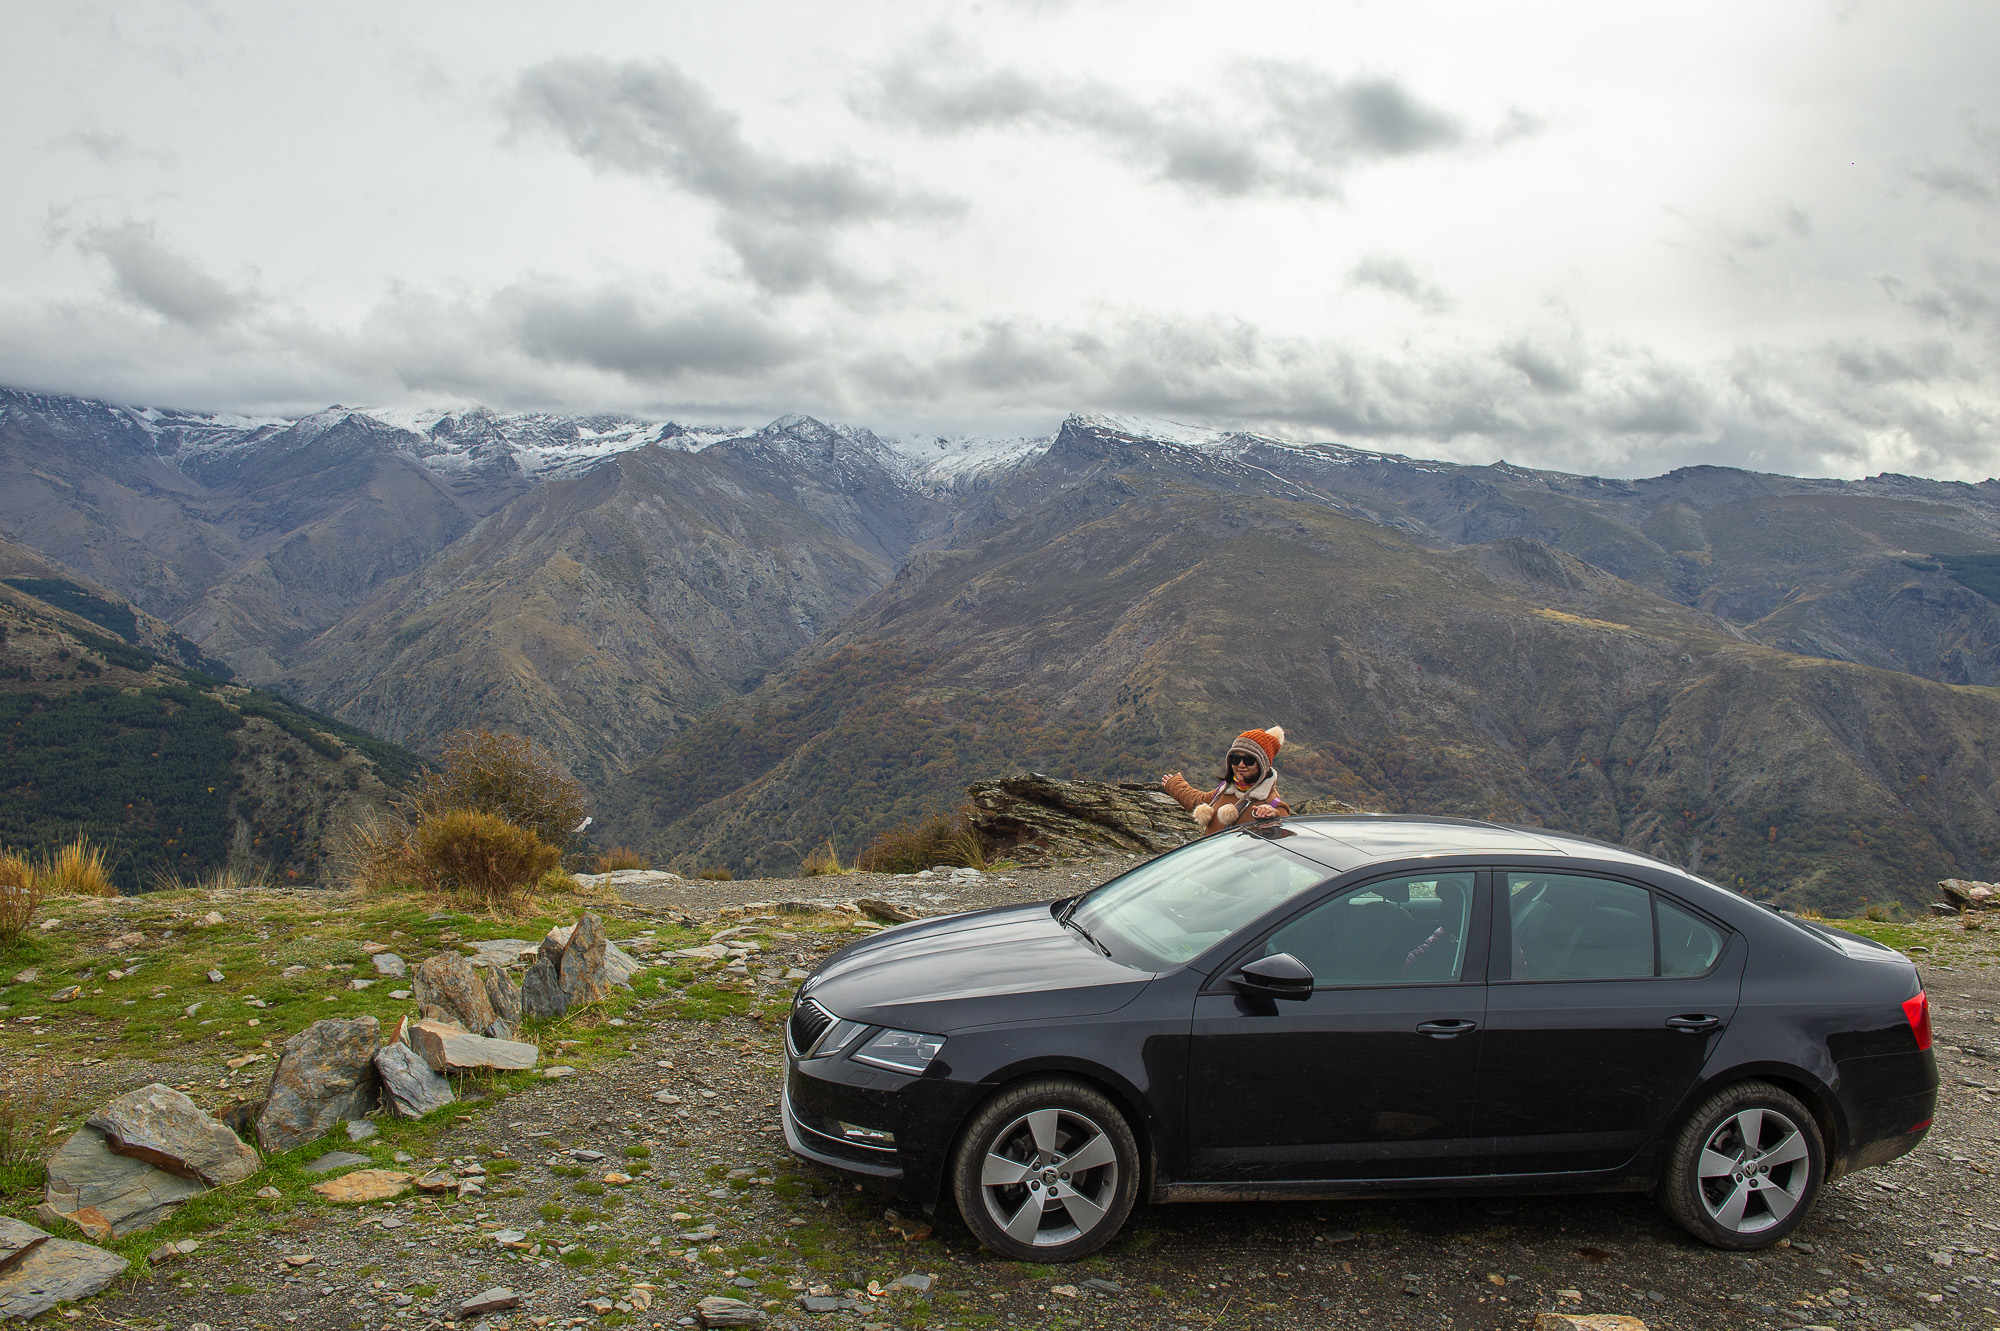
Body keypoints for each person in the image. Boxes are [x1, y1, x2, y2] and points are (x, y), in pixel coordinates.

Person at [1163, 726, 1291, 837]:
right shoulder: (1226, 790)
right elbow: (1198, 800)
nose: (1241, 765)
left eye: (1249, 760)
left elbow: (1286, 828)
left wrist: (1273, 814)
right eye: (1235, 759)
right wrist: (1174, 784)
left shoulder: (1270, 801)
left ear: (1263, 765)